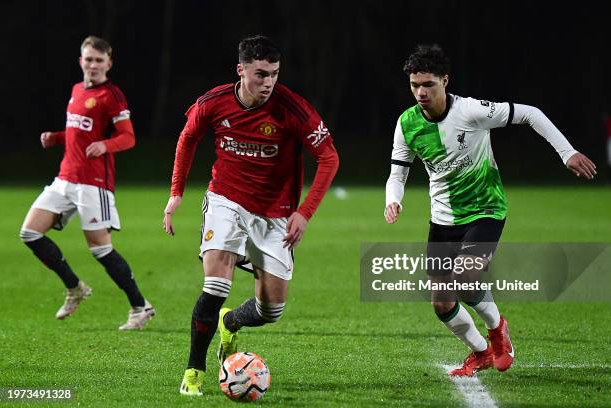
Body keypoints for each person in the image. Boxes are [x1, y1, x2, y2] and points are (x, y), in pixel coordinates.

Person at [384, 44, 596, 377]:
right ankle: (480, 353)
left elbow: (531, 113)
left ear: (445, 80)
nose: (421, 92)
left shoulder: (470, 111)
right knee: (441, 302)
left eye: (429, 84)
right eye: (415, 85)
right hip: (442, 219)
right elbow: (398, 172)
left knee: (466, 277)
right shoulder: (407, 124)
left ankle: (498, 331)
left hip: (486, 209)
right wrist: (392, 199)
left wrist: (566, 152)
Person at [163, 35, 339, 396]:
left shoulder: (293, 110)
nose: (268, 82)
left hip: (275, 214)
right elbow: (187, 137)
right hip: (226, 201)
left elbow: (329, 158)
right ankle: (193, 372)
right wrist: (176, 193)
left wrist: (304, 213)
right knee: (216, 284)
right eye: (260, 74)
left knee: (271, 309)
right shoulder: (214, 102)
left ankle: (230, 322)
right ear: (241, 70)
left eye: (274, 74)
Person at [19, 36, 155, 330]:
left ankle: (140, 306)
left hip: (94, 183)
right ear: (81, 61)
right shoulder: (76, 90)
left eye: (98, 60)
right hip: (65, 178)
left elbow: (128, 137)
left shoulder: (112, 95)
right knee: (30, 233)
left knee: (100, 250)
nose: (93, 65)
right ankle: (75, 288)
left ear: (108, 63)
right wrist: (56, 138)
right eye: (88, 59)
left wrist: (106, 146)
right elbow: (77, 133)